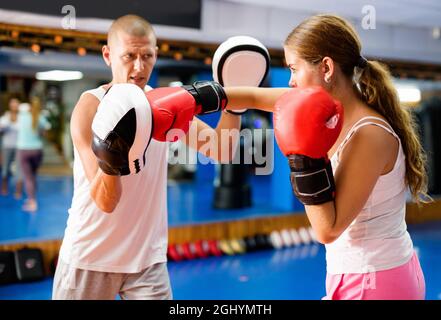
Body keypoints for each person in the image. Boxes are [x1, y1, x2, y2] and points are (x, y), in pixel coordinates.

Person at [225, 14, 427, 300]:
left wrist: (303, 158)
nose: (292, 82)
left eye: (294, 69)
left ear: (326, 68)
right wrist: (198, 98)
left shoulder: (368, 135)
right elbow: (255, 98)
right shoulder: (334, 111)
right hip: (365, 275)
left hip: (374, 280)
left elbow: (327, 230)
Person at [52, 14, 242, 300]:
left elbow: (221, 149)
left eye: (148, 56)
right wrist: (115, 142)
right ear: (108, 55)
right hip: (89, 256)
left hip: (147, 260)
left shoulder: (166, 106)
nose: (139, 67)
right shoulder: (89, 108)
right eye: (129, 55)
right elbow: (105, 201)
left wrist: (233, 102)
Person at [16, 97, 50, 212]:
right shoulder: (41, 117)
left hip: (24, 150)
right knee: (33, 175)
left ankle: (32, 201)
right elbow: (45, 132)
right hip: (37, 150)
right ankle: (32, 198)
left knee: (28, 177)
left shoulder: (22, 117)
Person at [0, 96, 23, 198]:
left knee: (19, 169)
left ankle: (18, 191)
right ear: (9, 105)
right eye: (12, 103)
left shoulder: (23, 117)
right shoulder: (4, 117)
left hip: (20, 146)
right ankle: (4, 187)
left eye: (16, 103)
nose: (14, 105)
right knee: (5, 168)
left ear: (19, 105)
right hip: (7, 146)